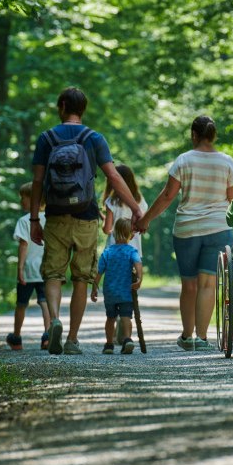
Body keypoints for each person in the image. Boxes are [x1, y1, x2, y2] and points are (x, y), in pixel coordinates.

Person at [29, 87, 143, 356]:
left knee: (54, 273)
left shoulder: (46, 138)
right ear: (83, 109)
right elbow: (114, 177)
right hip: (87, 217)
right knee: (82, 277)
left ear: (62, 105)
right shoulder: (94, 138)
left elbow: (36, 182)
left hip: (55, 215)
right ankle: (71, 339)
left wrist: (35, 218)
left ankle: (54, 318)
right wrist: (136, 208)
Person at [137, 116, 233, 351]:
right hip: (218, 228)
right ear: (213, 135)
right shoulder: (226, 162)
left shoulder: (183, 160)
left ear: (194, 135)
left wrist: (145, 220)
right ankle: (202, 338)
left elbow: (167, 196)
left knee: (189, 285)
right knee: (207, 284)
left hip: (187, 230)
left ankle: (186, 336)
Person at [7, 182, 51, 351]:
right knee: (44, 301)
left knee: (21, 303)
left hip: (28, 270)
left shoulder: (24, 221)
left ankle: (16, 338)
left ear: (33, 199)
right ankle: (47, 335)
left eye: (23, 198)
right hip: (46, 269)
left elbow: (23, 245)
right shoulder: (50, 218)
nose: (21, 202)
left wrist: (20, 269)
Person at [91, 218, 143, 355]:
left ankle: (109, 344)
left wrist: (94, 287)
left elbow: (99, 272)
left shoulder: (108, 252)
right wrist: (139, 278)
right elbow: (138, 264)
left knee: (110, 318)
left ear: (113, 233)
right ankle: (127, 339)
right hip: (126, 292)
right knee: (126, 317)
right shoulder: (132, 251)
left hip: (110, 293)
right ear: (131, 235)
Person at [103, 164, 149, 255]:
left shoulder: (112, 201)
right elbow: (144, 225)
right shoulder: (141, 201)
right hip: (134, 252)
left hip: (114, 252)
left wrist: (104, 221)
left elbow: (107, 229)